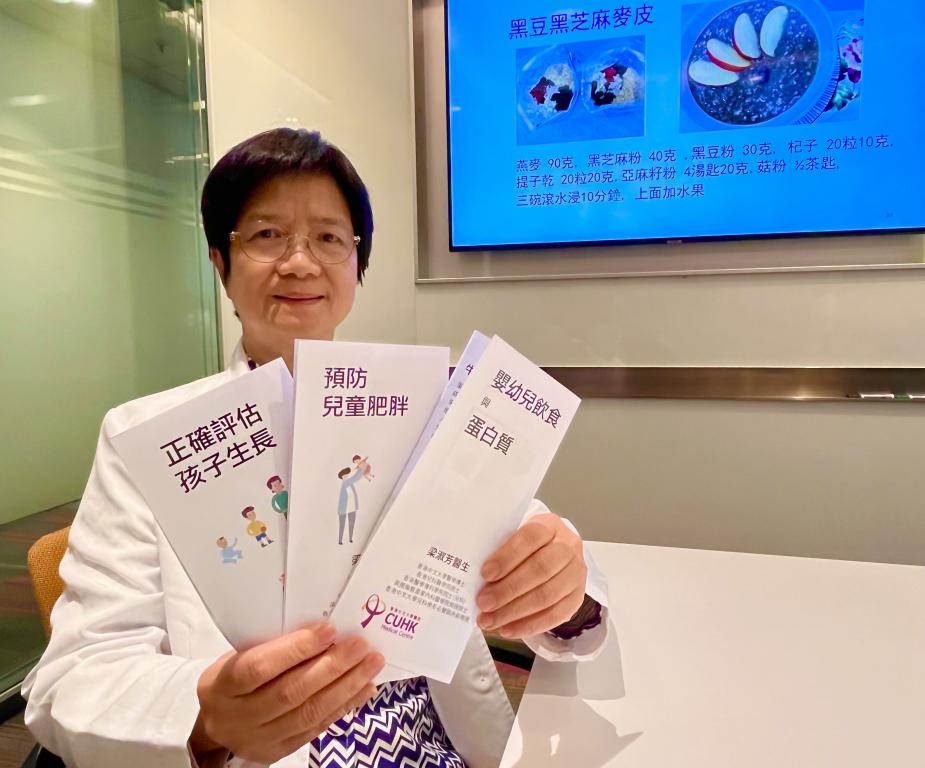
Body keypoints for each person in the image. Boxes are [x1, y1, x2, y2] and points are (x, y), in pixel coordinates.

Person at [22, 128, 609, 768]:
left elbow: (535, 545)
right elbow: (72, 681)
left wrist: (563, 589)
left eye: (329, 238)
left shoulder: (423, 404)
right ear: (220, 262)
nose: (300, 262)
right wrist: (205, 715)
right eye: (267, 235)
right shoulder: (153, 439)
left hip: (437, 746)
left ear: (357, 264)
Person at [336, 466, 364, 545]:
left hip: (352, 508)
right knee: (342, 525)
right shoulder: (345, 483)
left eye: (347, 475)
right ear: (342, 477)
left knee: (351, 524)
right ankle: (340, 540)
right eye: (344, 475)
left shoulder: (351, 484)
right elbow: (356, 477)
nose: (346, 476)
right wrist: (361, 468)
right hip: (343, 510)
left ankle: (350, 538)